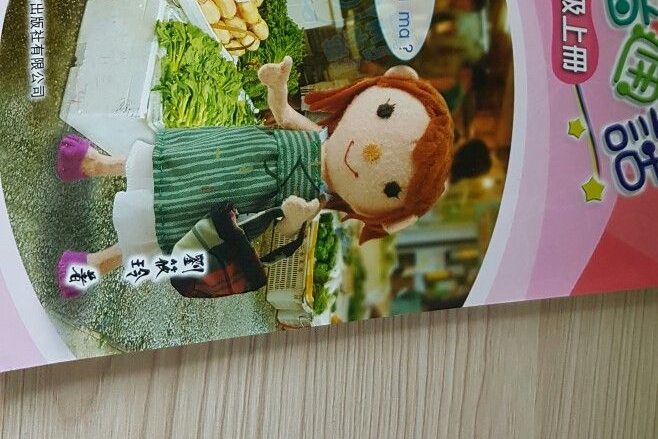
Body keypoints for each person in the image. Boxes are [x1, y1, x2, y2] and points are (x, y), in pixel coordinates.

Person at [55, 59, 454, 298]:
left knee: (163, 233)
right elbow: (283, 114)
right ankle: (97, 165)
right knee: (166, 160)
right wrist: (277, 87)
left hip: (234, 200)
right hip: (225, 151)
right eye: (384, 112)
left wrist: (295, 218)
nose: (370, 153)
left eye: (390, 189)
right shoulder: (318, 136)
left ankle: (93, 267)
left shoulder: (320, 196)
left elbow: (282, 231)